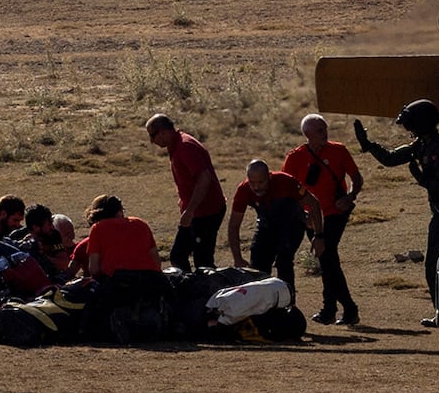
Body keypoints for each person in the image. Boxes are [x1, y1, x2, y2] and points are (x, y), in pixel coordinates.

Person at [355, 99, 439, 328]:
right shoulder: (423, 145)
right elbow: (391, 159)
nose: (409, 130)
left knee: (437, 265)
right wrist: (369, 145)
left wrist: (421, 179)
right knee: (435, 265)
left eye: (411, 125)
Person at [281, 114, 364, 325]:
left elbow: (356, 178)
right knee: (328, 259)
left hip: (336, 211)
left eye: (325, 129)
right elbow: (287, 190)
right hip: (312, 217)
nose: (324, 133)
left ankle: (336, 308)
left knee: (327, 254)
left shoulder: (339, 150)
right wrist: (303, 214)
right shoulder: (295, 157)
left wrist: (350, 196)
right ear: (307, 135)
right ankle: (342, 308)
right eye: (319, 131)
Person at [226, 159, 323, 302]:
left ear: (269, 177)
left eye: (261, 182)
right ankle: (261, 307)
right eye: (253, 183)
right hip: (267, 225)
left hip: (292, 224)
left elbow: (314, 203)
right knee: (258, 265)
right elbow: (234, 225)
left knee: (284, 261)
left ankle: (288, 305)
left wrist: (319, 235)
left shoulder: (286, 182)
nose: (257, 187)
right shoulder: (244, 190)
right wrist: (237, 258)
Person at [145, 113, 223, 270]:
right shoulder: (177, 144)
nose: (152, 141)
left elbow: (204, 179)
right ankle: (192, 289)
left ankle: (207, 291)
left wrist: (190, 210)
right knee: (179, 256)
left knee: (202, 262)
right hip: (196, 211)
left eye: (153, 136)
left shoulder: (185, 147)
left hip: (205, 212)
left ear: (164, 132)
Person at [67, 195, 161, 280]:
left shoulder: (97, 229)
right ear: (120, 211)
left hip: (116, 284)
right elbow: (156, 261)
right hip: (149, 281)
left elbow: (94, 269)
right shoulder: (140, 224)